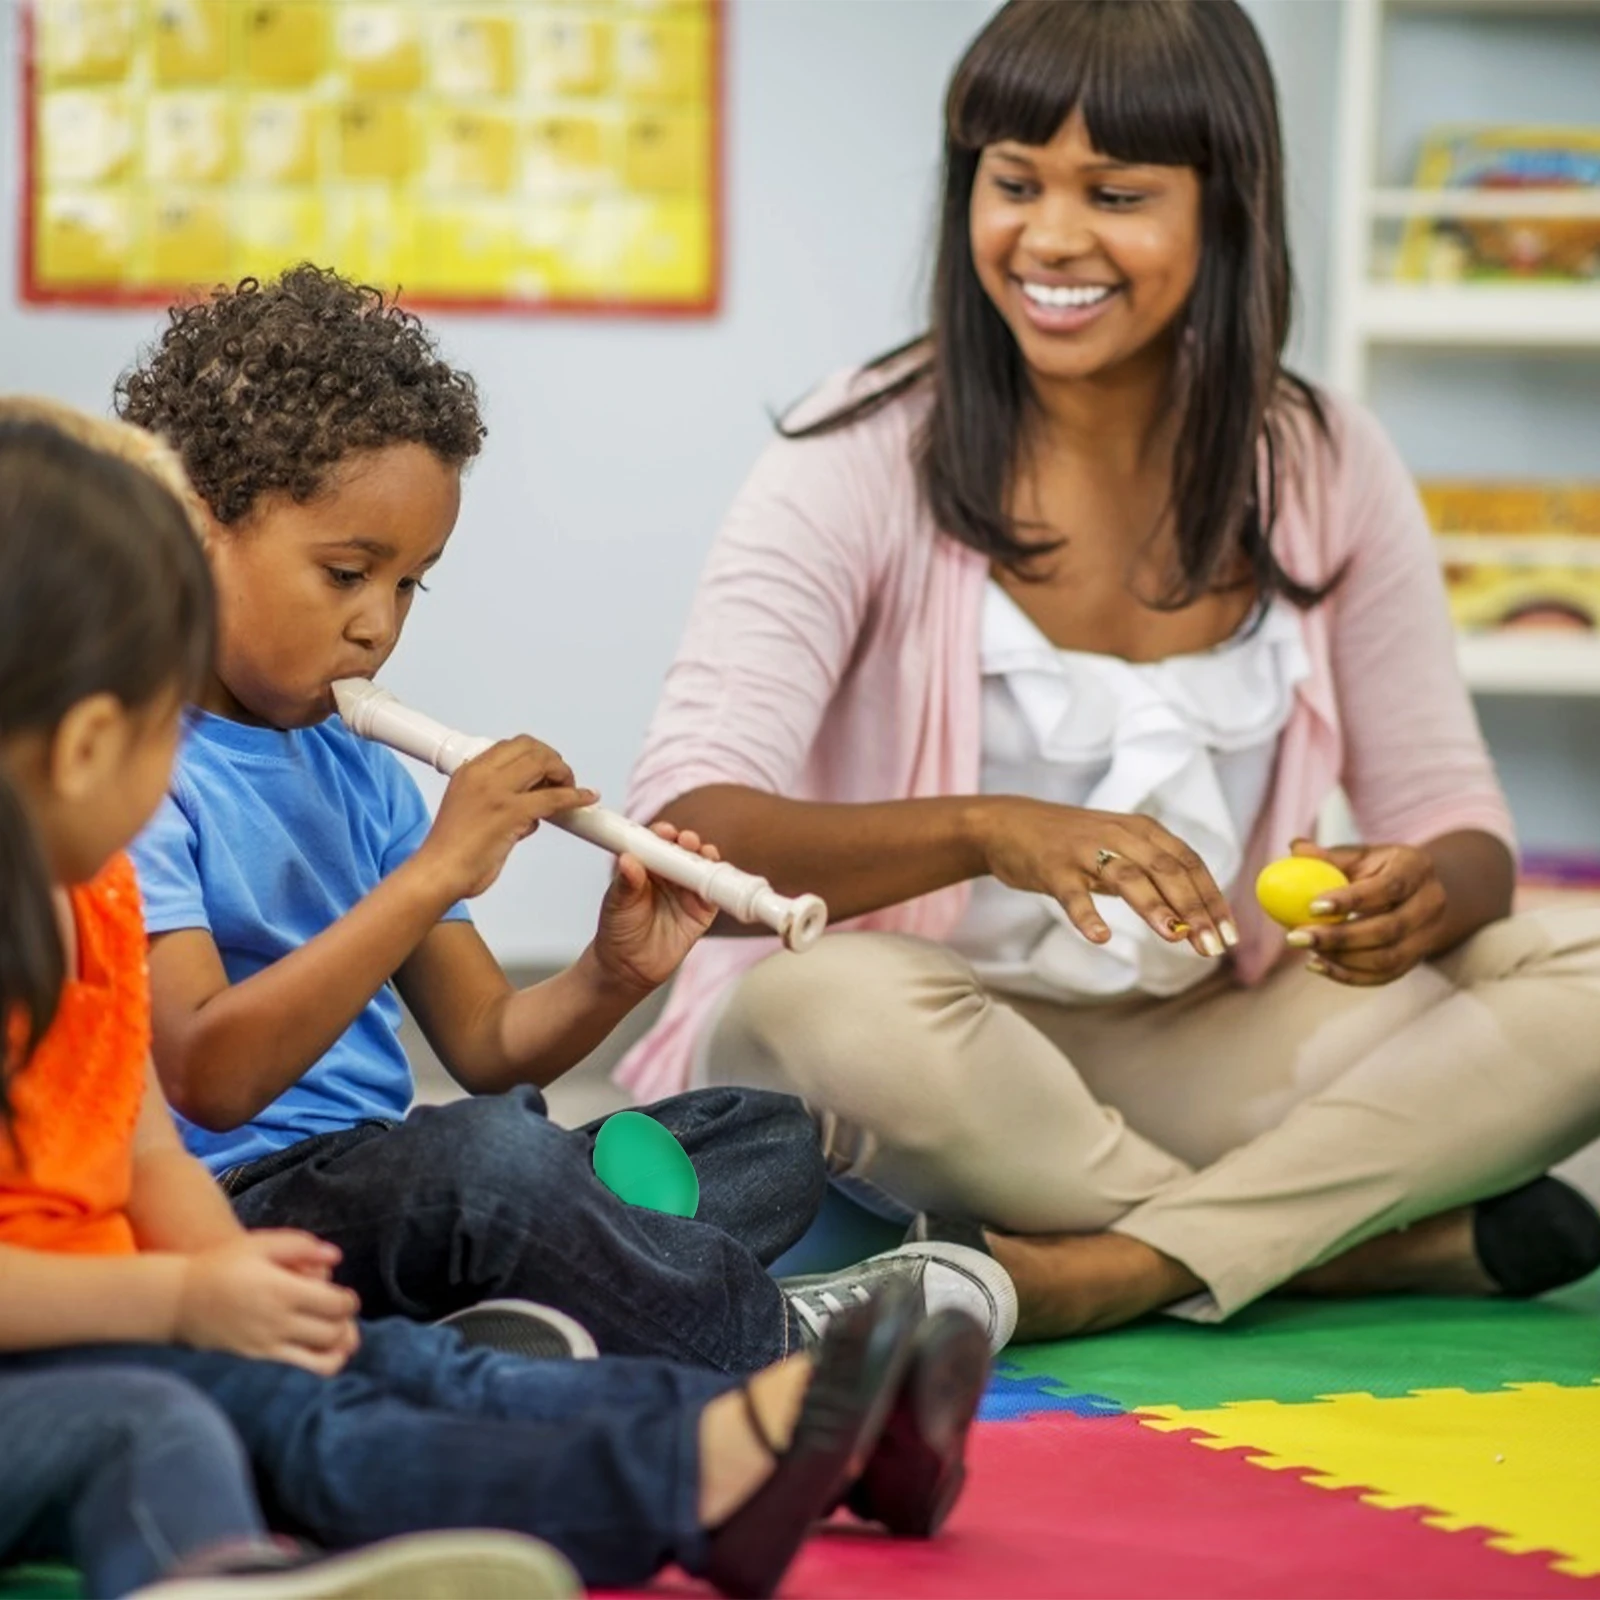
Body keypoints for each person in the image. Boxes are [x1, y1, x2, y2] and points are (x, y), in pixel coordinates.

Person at [617, 0, 1600, 1341]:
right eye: (1013, 183)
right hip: (932, 1053)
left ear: (1226, 210)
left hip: (1207, 1045)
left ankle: (1129, 1263)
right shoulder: (848, 456)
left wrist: (1421, 892)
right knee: (820, 1009)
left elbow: (1459, 827)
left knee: (1585, 961)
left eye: (1118, 193)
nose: (1053, 239)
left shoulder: (1323, 461)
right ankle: (1322, 1240)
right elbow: (684, 843)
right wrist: (987, 832)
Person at [0, 413, 992, 1599]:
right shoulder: (124, 853)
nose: (378, 620)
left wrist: (614, 971)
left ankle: (771, 1424)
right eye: (347, 574)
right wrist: (195, 1293)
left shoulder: (120, 878)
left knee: (735, 1139)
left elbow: (478, 1046)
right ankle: (752, 1390)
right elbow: (205, 1082)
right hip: (238, 1216)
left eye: (407, 585)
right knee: (460, 1211)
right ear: (92, 741)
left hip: (267, 1228)